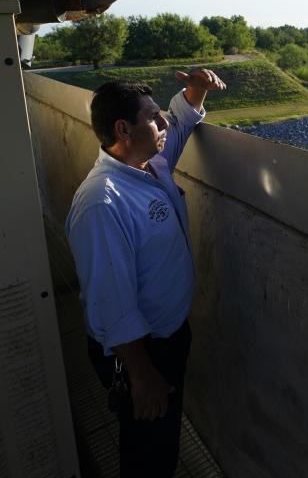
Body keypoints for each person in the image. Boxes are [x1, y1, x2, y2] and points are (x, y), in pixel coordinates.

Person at [65, 68, 226, 477]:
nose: (163, 123)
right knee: (148, 453)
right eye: (153, 117)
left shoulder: (147, 164)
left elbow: (181, 124)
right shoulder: (103, 202)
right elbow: (109, 300)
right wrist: (141, 375)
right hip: (141, 350)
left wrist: (196, 91)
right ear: (123, 129)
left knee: (161, 440)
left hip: (167, 335)